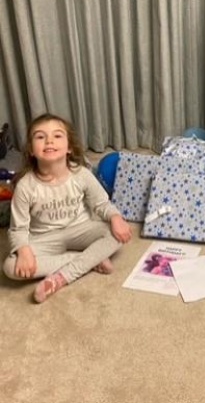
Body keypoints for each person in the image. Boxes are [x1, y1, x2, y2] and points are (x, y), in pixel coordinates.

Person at [3, 113, 132, 303]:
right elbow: (18, 228)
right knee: (10, 267)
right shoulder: (25, 186)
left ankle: (62, 277)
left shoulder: (81, 174)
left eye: (57, 135)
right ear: (31, 150)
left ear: (69, 147)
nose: (49, 141)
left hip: (81, 230)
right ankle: (89, 260)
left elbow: (102, 204)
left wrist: (115, 217)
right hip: (45, 238)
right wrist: (23, 250)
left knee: (116, 234)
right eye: (40, 136)